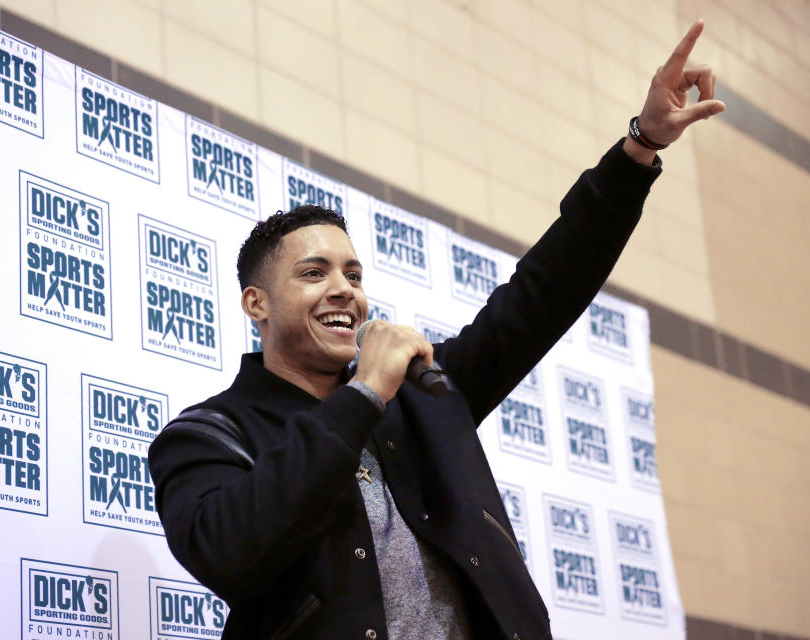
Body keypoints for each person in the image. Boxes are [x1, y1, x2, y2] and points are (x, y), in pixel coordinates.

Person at [148, 20, 723, 640]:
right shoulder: (207, 436)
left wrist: (639, 149)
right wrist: (361, 394)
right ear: (256, 303)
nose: (344, 289)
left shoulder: (423, 399)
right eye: (313, 273)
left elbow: (545, 291)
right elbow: (229, 552)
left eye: (353, 273)